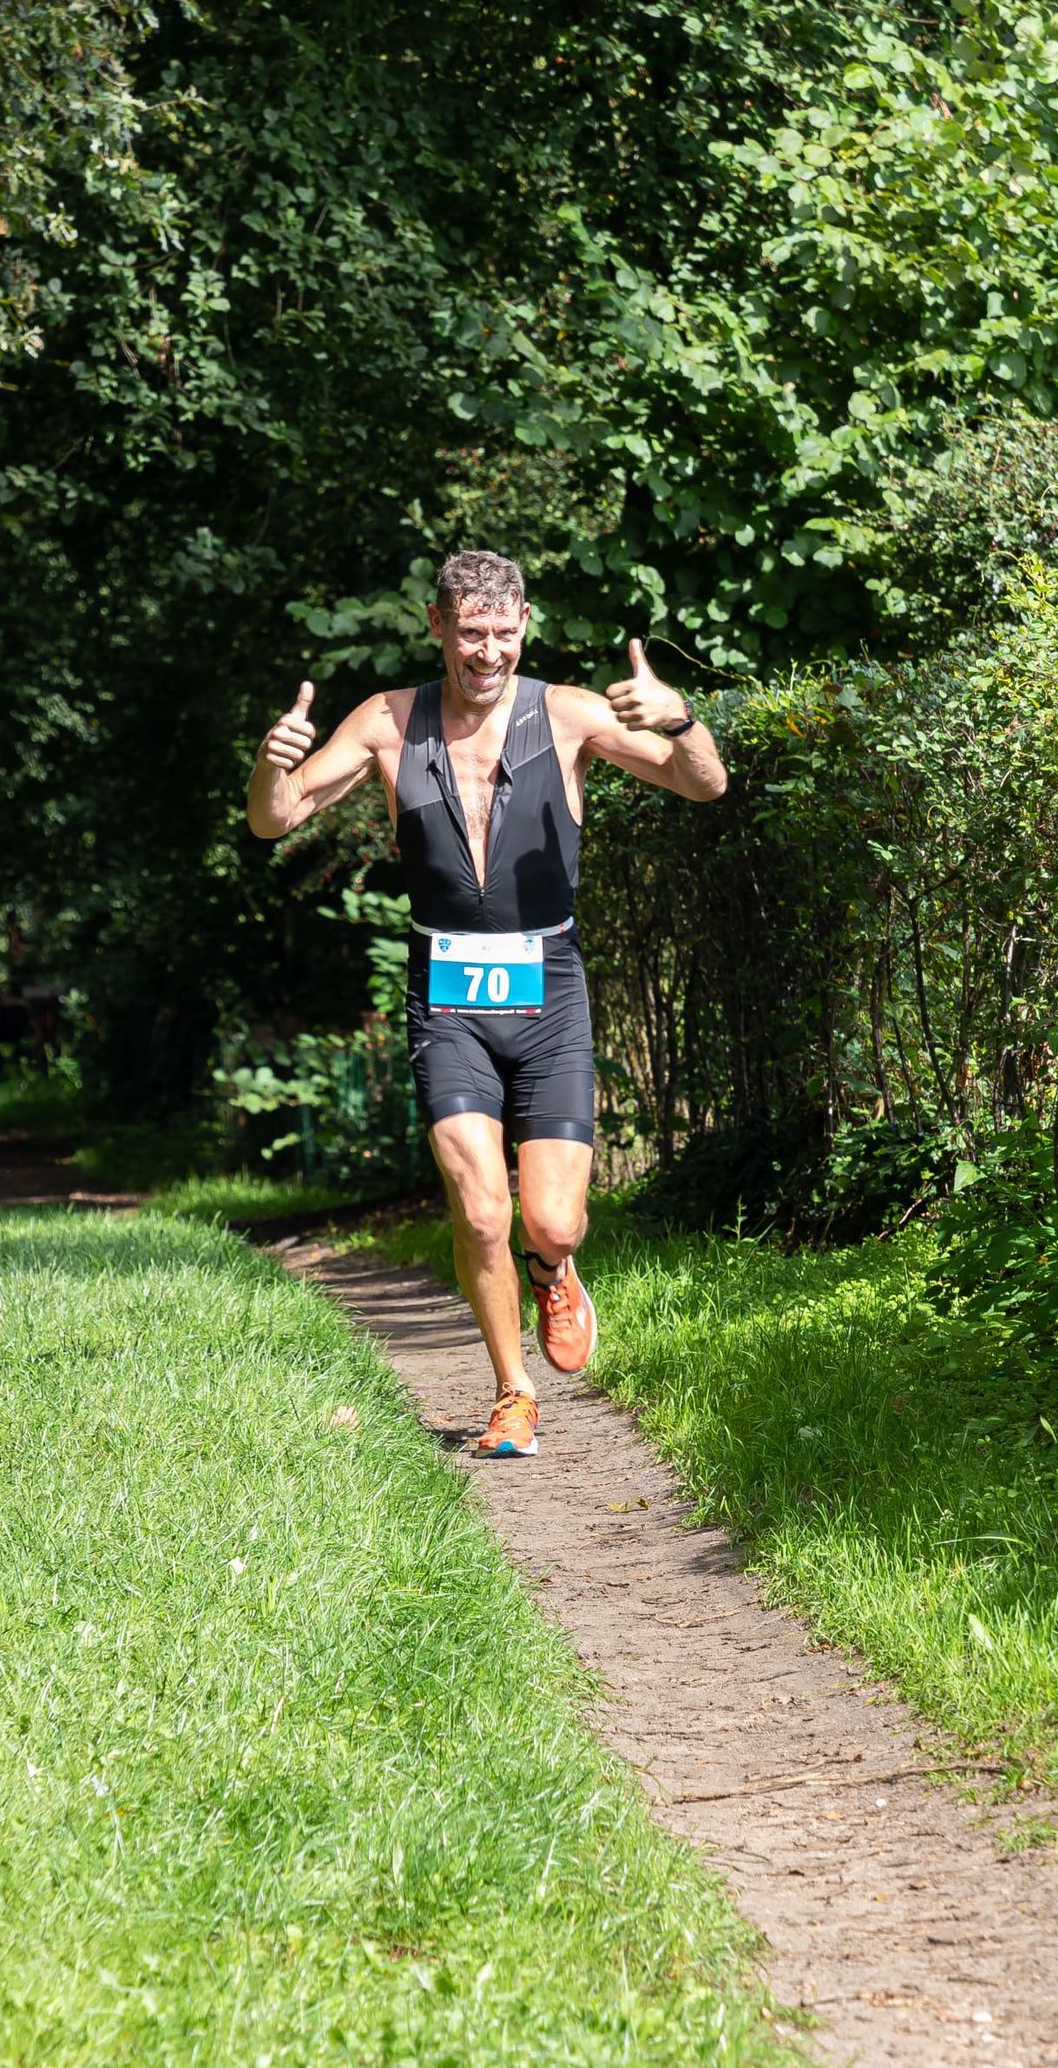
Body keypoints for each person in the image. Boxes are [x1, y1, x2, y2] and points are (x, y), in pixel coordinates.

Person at [245, 549, 728, 1459]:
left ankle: (554, 1268)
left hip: (548, 989)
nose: (489, 650)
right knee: (477, 1211)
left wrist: (684, 718)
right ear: (438, 626)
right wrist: (273, 768)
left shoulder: (571, 713)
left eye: (504, 632)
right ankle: (512, 1392)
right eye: (471, 632)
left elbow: (704, 783)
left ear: (526, 625)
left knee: (550, 1219)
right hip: (448, 997)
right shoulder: (388, 723)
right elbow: (276, 819)